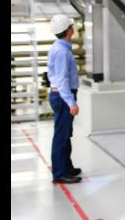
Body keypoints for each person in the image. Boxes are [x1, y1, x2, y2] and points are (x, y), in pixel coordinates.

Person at [47, 14, 82, 184]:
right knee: (61, 135)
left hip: (60, 95)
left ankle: (67, 167)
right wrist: (71, 102)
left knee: (65, 134)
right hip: (62, 96)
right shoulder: (61, 51)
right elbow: (62, 80)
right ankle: (59, 173)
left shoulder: (59, 48)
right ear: (69, 30)